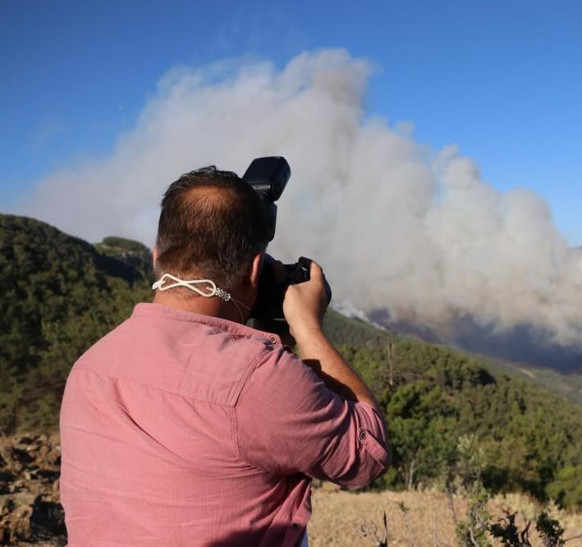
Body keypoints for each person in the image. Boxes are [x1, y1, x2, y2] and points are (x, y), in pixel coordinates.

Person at [59, 166, 390, 546]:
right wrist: (307, 328)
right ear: (254, 269)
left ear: (156, 257)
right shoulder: (256, 378)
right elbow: (368, 455)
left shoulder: (89, 367)